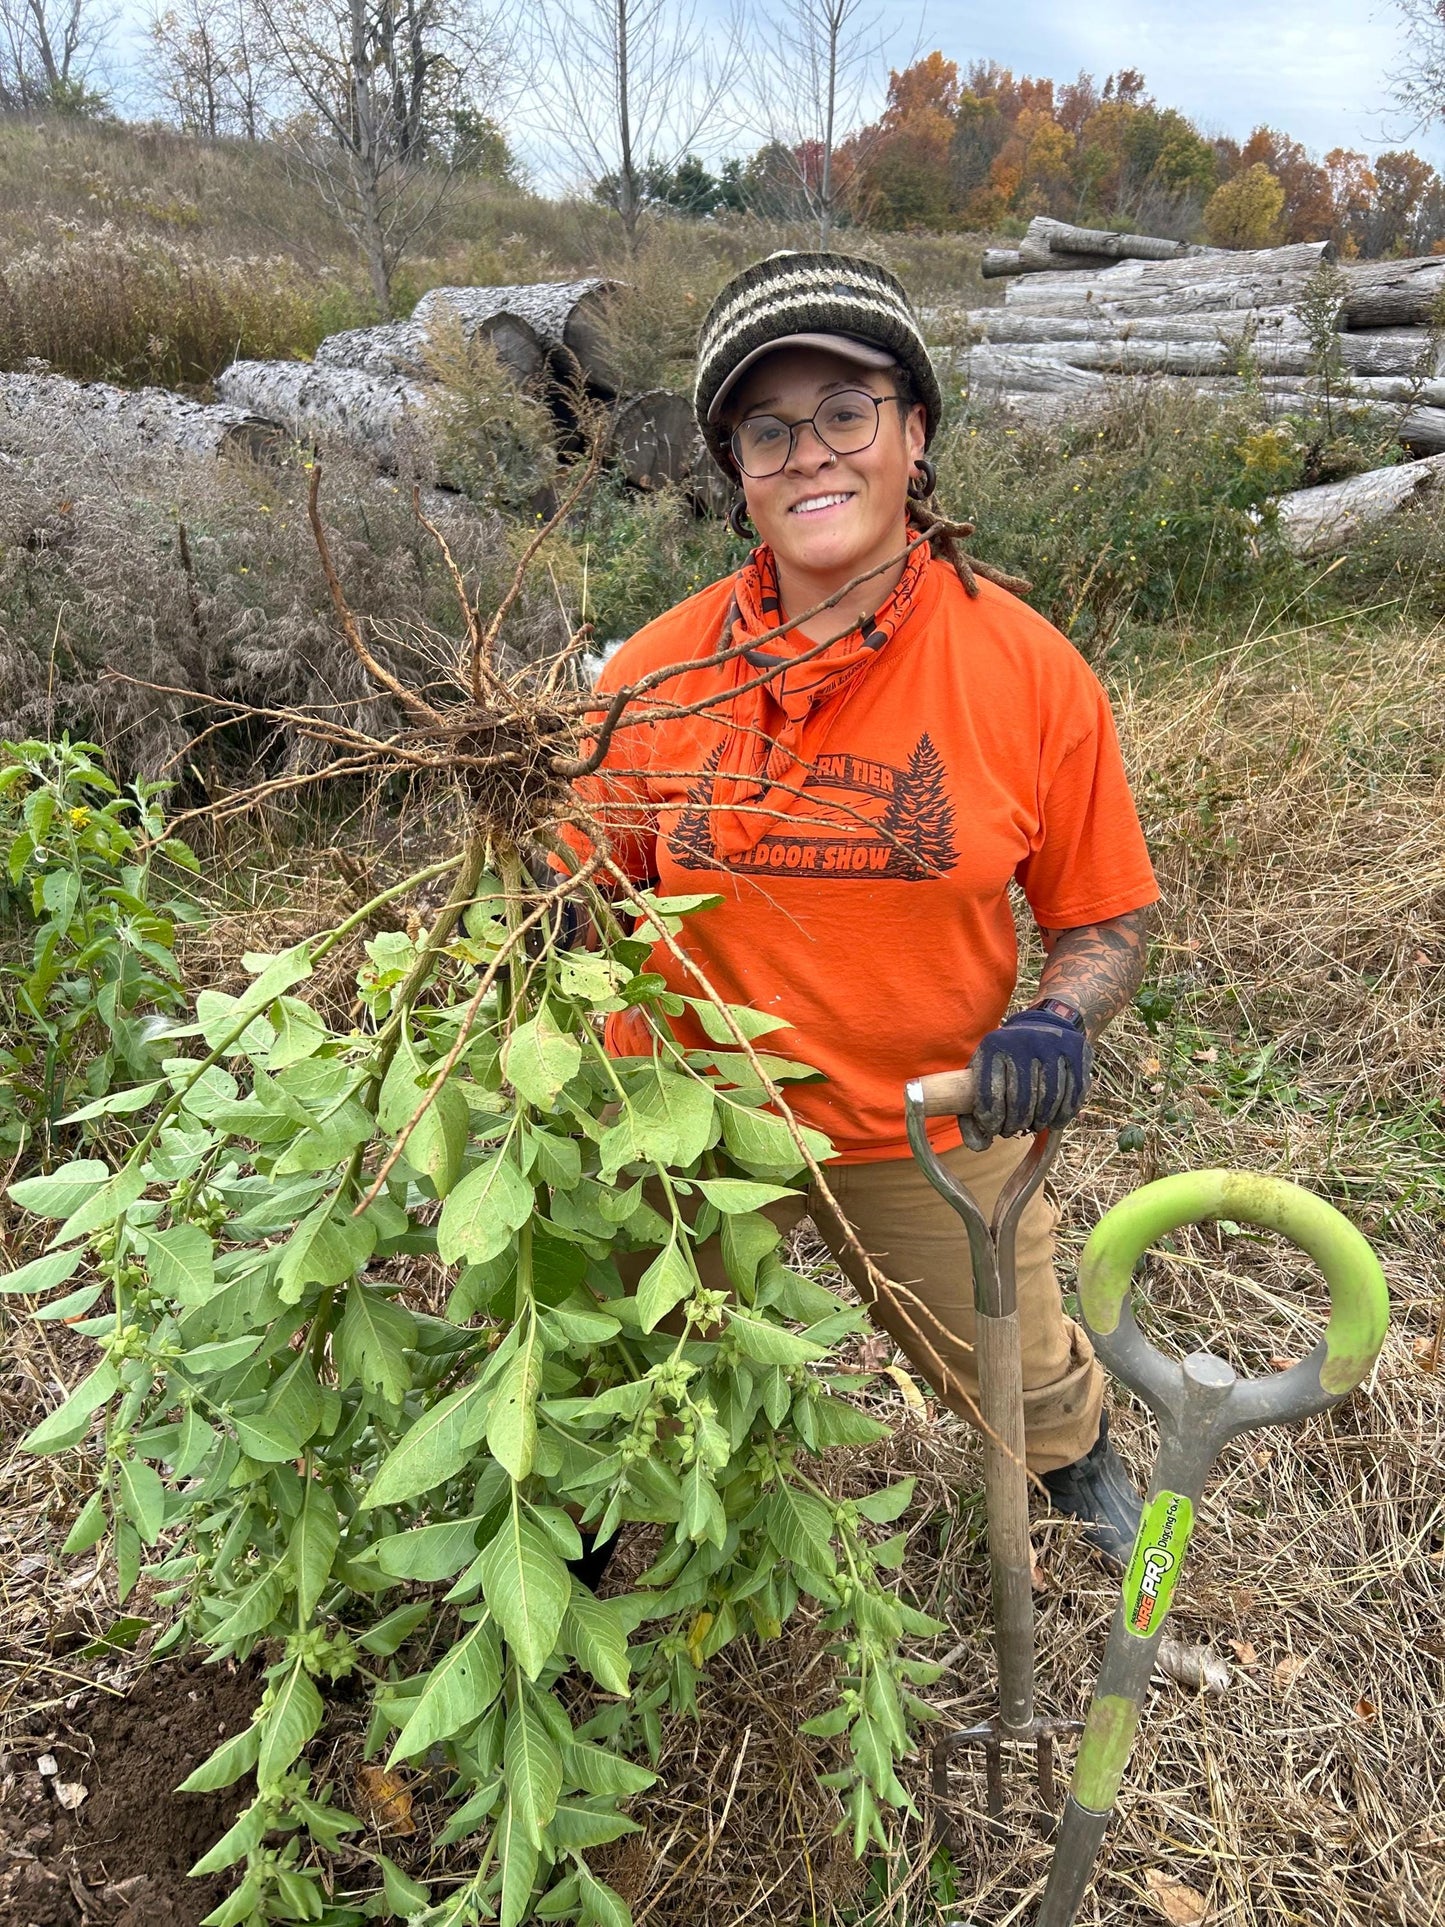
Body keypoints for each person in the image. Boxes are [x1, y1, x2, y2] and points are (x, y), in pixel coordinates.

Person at [571, 251, 1159, 1566]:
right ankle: (576, 1538)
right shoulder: (658, 674)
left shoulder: (1026, 670)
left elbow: (1102, 920)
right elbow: (585, 892)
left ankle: (1076, 1469)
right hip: (694, 1114)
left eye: (844, 410)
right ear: (732, 466)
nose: (807, 455)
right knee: (620, 1367)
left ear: (913, 433)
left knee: (1019, 1362)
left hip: (924, 1113)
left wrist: (1056, 1021)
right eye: (765, 429)